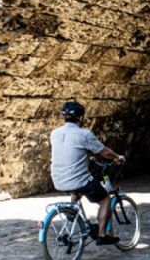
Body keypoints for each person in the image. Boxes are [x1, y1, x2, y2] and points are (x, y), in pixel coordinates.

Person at [49, 100, 126, 245]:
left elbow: (68, 151)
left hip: (58, 179)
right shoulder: (84, 134)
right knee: (104, 199)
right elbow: (104, 152)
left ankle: (72, 211)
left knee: (79, 186)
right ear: (80, 118)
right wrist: (117, 157)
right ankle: (102, 235)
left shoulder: (55, 133)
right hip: (77, 179)